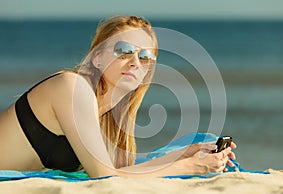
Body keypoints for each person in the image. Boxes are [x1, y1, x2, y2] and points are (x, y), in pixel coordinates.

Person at [0, 15, 236, 178]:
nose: (135, 62)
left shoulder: (113, 117)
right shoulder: (71, 87)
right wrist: (188, 167)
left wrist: (185, 154)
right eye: (124, 51)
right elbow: (105, 177)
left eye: (145, 57)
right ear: (97, 57)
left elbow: (123, 174)